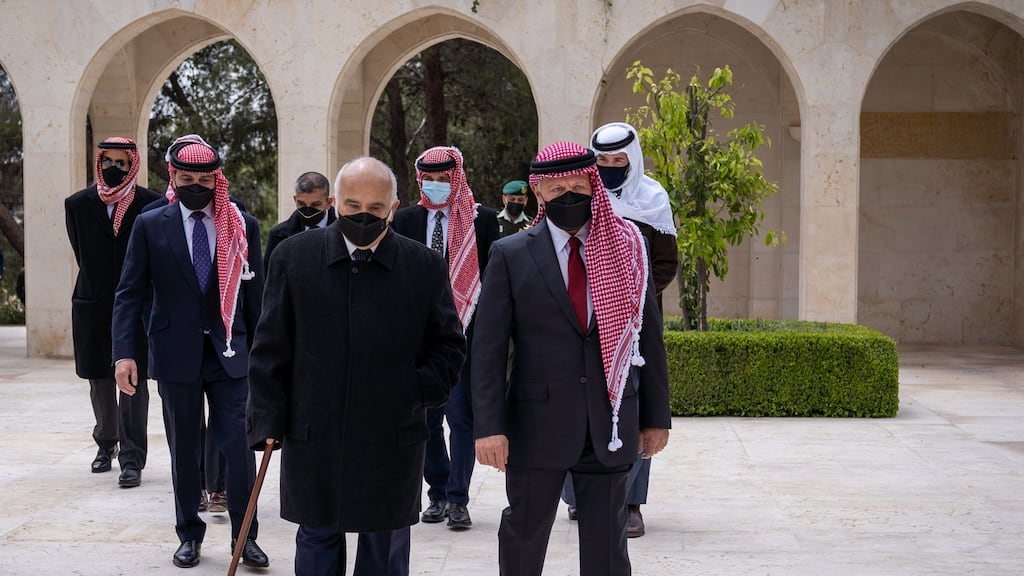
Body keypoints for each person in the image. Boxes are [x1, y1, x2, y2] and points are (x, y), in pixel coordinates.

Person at [247, 156, 467, 576]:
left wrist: (413, 389)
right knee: (316, 539)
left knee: (384, 546)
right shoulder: (293, 257)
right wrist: (268, 421)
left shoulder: (424, 266)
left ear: (394, 206)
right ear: (334, 203)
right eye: (352, 206)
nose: (363, 216)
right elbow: (270, 346)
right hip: (314, 431)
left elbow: (449, 347)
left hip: (392, 436)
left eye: (376, 208)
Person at [472, 141, 672, 576]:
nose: (568, 195)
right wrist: (488, 427)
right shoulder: (511, 254)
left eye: (578, 185)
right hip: (536, 427)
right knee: (524, 536)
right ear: (538, 193)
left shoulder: (628, 246)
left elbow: (648, 340)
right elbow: (487, 350)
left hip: (611, 423)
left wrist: (657, 417)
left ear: (593, 184)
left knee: (607, 549)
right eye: (556, 187)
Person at [112, 138, 269, 569]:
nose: (195, 186)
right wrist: (125, 353)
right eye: (187, 179)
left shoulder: (242, 224)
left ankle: (245, 536)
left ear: (216, 178)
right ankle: (189, 534)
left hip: (231, 353)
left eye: (204, 179)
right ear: (172, 176)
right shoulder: (149, 224)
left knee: (238, 447)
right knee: (184, 450)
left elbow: (257, 297)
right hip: (174, 352)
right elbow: (129, 294)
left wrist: (265, 359)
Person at [561, 121, 681, 536]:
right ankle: (578, 497)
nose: (611, 168)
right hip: (584, 318)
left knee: (633, 408)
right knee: (579, 404)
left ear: (632, 159)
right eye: (603, 161)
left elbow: (666, 263)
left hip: (636, 323)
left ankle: (631, 503)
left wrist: (628, 292)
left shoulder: (653, 199)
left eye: (618, 161)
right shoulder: (584, 197)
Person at [392, 145, 499, 531]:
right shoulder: (404, 220)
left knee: (461, 417)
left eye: (443, 180)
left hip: (463, 333)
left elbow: (492, 279)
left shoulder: (480, 219)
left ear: (456, 178)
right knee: (427, 419)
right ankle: (436, 493)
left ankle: (458, 499)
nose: (436, 186)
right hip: (419, 339)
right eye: (429, 180)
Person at [65, 137, 162, 487]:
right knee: (100, 380)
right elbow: (82, 252)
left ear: (133, 164)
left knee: (133, 382)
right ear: (99, 161)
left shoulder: (151, 205)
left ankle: (132, 458)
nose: (114, 170)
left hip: (136, 306)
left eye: (123, 164)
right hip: (94, 303)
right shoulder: (77, 205)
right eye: (109, 162)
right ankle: (106, 443)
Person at [263, 171, 336, 269]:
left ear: (328, 202)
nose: (308, 209)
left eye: (315, 205)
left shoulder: (345, 231)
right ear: (295, 199)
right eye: (302, 204)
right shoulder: (278, 235)